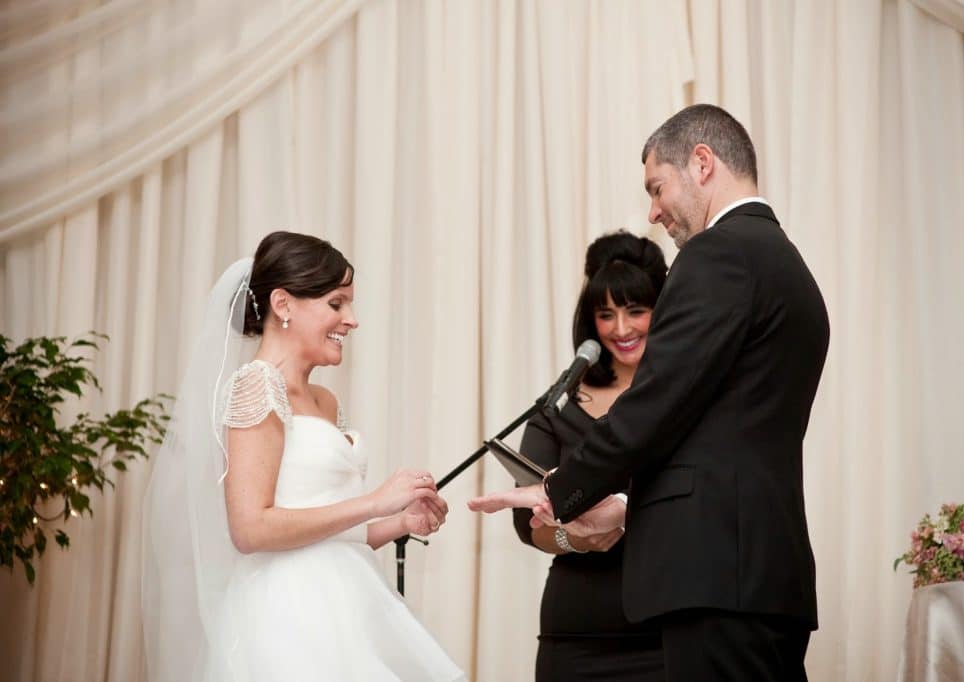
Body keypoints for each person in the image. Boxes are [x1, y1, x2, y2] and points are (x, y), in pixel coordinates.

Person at [470, 104, 830, 681]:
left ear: (703, 163)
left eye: (657, 187)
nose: (654, 211)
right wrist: (620, 504)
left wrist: (557, 491)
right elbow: (716, 436)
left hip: (717, 581)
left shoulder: (718, 254)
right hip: (762, 574)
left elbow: (655, 406)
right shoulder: (787, 264)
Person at [144, 231, 465, 682]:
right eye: (337, 304)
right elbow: (250, 528)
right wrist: (375, 501)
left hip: (350, 604)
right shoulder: (257, 384)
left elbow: (330, 529)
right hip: (289, 614)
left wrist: (399, 521)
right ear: (283, 304)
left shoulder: (325, 400)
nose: (351, 320)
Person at [513, 231, 667, 681]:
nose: (622, 329)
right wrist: (575, 539)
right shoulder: (558, 405)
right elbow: (528, 522)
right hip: (576, 635)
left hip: (666, 629)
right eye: (606, 314)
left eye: (636, 311)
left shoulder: (683, 398)